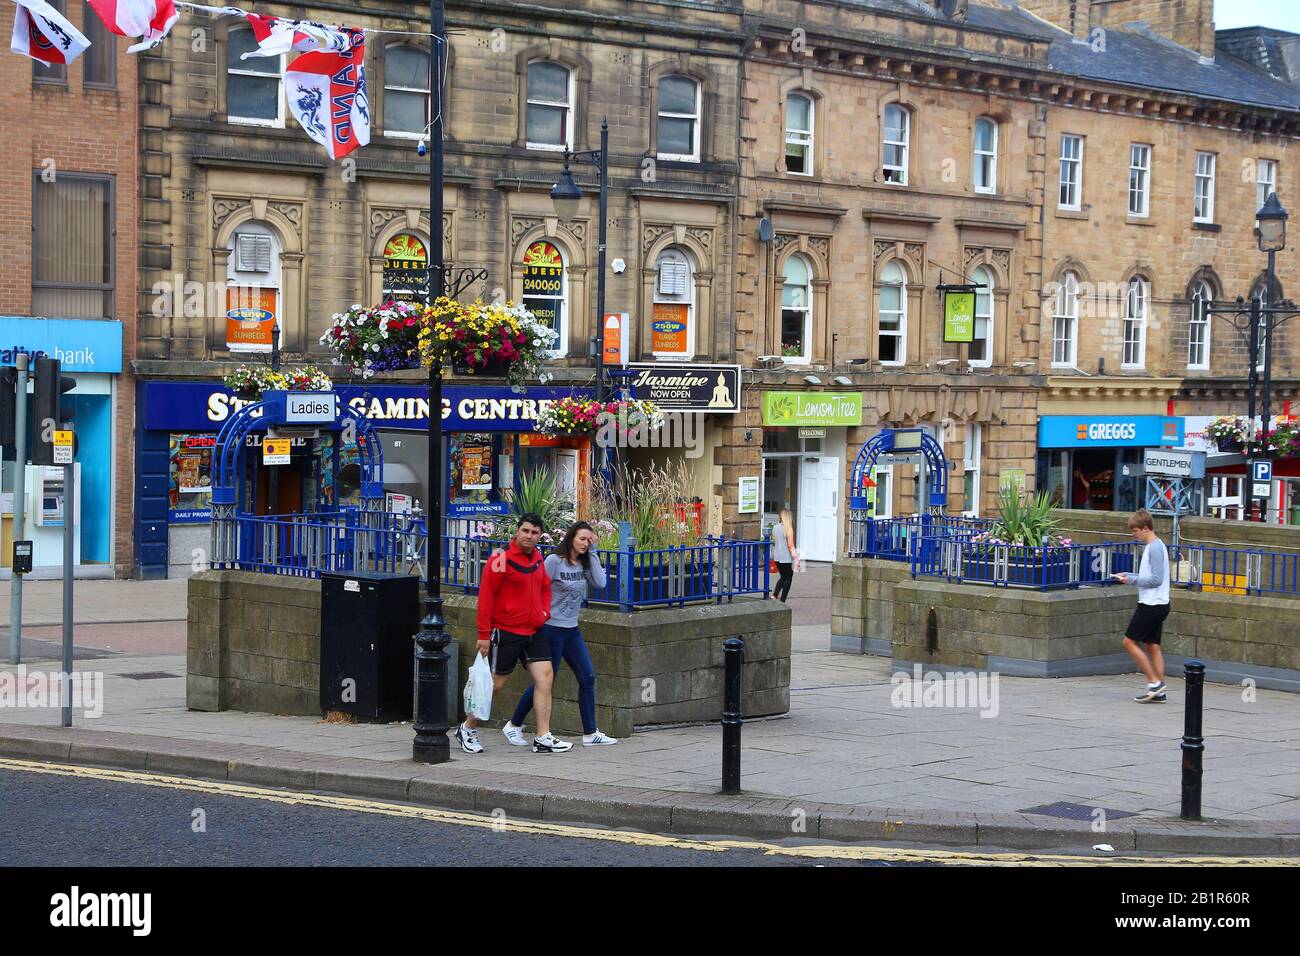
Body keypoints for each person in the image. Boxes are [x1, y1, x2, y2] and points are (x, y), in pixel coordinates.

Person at [455, 513, 572, 754]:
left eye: (535, 532)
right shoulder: (500, 559)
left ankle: (543, 737)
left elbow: (545, 588)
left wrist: (542, 614)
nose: (530, 536)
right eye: (526, 531)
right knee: (495, 685)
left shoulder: (538, 558)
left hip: (534, 630)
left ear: (540, 536)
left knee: (545, 677)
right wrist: (483, 634)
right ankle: (467, 727)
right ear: (517, 532)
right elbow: (486, 597)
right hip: (506, 631)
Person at [503, 521, 619, 747]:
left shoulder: (585, 564)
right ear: (571, 538)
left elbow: (601, 583)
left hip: (571, 630)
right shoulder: (554, 561)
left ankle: (589, 733)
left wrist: (594, 553)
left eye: (589, 540)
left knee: (588, 677)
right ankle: (513, 725)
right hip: (551, 630)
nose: (585, 543)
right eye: (582, 539)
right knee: (545, 682)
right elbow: (536, 588)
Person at [1113, 508, 1171, 703]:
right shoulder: (1157, 545)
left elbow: (1155, 579)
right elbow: (1152, 576)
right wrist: (1129, 576)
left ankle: (1154, 682)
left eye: (1135, 530)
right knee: (1153, 645)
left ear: (1145, 528)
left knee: (1129, 642)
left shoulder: (1154, 547)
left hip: (1151, 604)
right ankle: (1159, 690)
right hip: (1160, 603)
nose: (1133, 534)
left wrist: (1131, 581)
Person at [770, 508, 798, 603]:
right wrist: (796, 557)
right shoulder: (788, 529)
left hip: (777, 556)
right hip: (786, 557)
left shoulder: (775, 527)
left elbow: (775, 541)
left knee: (783, 577)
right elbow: (790, 545)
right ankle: (783, 600)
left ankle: (774, 595)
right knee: (788, 578)